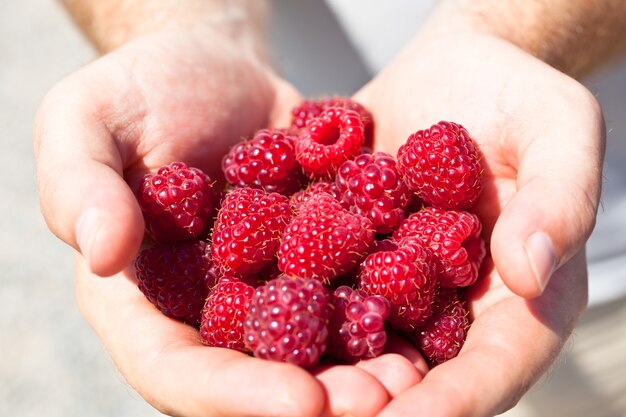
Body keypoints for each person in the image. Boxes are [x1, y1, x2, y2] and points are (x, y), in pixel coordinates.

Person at [33, 0, 625, 416]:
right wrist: (180, 19)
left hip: (586, 260)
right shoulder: (288, 219)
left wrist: (510, 32)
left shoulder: (375, 225)